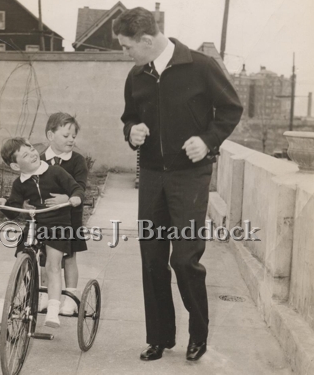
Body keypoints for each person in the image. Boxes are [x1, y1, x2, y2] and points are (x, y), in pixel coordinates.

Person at [113, 7, 243, 362]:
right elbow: (129, 116)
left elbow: (231, 109)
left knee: (185, 259)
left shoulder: (200, 66)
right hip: (153, 176)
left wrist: (208, 140)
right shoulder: (137, 75)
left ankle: (198, 334)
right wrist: (131, 132)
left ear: (146, 40)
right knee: (153, 260)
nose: (125, 54)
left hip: (190, 176)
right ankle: (159, 337)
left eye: (127, 47)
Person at [0, 137, 83, 328]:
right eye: (25, 155)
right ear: (15, 166)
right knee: (21, 261)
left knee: (53, 265)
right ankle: (3, 308)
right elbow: (13, 211)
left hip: (57, 224)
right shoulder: (19, 184)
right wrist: (3, 204)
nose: (32, 155)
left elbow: (76, 187)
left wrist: (74, 197)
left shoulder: (55, 172)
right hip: (34, 225)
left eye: (31, 150)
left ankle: (53, 310)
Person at [38, 112, 88, 315]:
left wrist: (66, 199)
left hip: (69, 218)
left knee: (69, 257)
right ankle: (46, 295)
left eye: (73, 136)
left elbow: (81, 188)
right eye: (66, 136)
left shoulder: (77, 161)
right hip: (46, 218)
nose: (71, 140)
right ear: (51, 135)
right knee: (45, 257)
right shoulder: (40, 160)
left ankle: (70, 298)